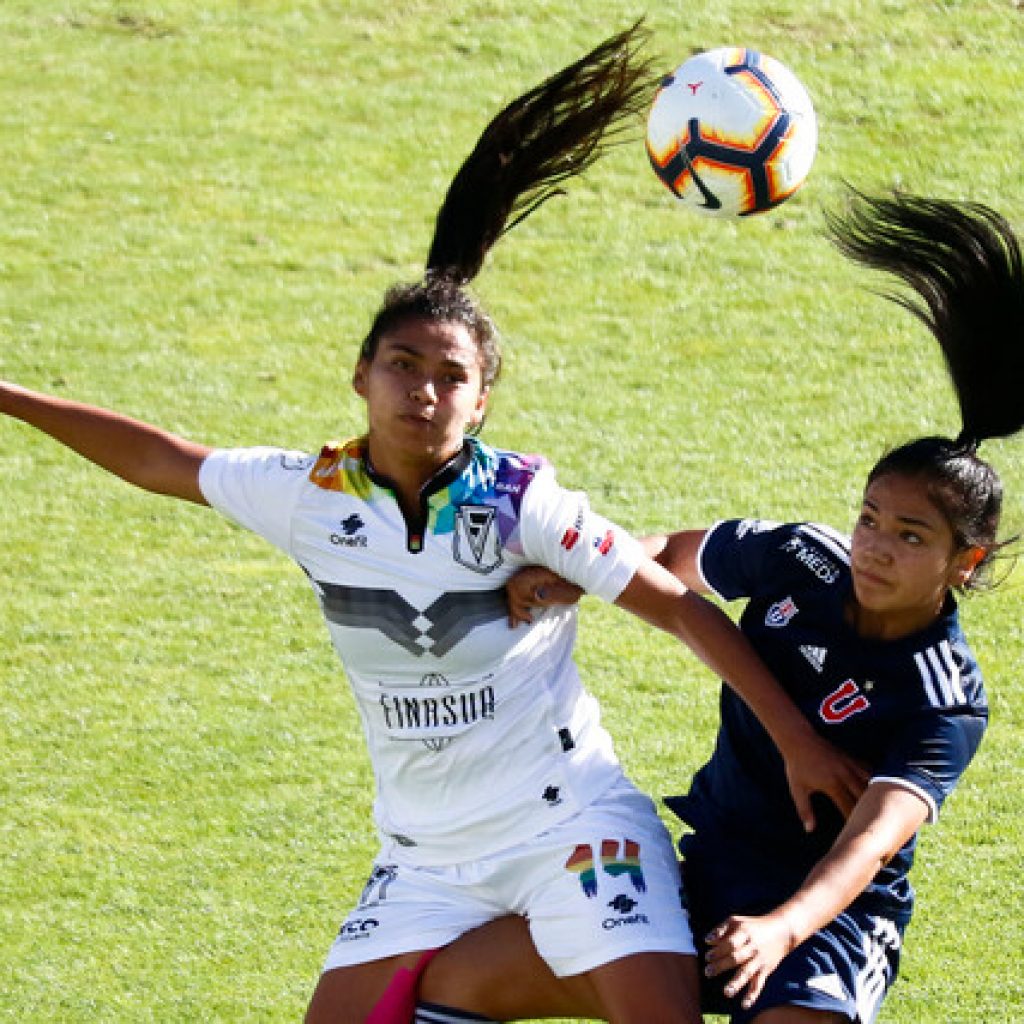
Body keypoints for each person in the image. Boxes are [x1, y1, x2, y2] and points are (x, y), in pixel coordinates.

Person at [0, 24, 865, 1024]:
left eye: (452, 376)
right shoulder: (308, 492)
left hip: (572, 827)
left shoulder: (522, 504)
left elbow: (679, 608)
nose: (423, 391)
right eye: (402, 367)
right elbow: (163, 458)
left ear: (483, 399)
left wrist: (796, 736)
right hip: (423, 856)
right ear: (360, 377)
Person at [408, 191, 1023, 1024]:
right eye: (870, 518)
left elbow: (870, 842)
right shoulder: (801, 557)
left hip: (829, 918)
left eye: (910, 537)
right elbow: (665, 558)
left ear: (965, 562)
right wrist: (568, 576)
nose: (874, 546)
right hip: (705, 874)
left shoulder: (945, 697)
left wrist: (781, 929)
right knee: (462, 978)